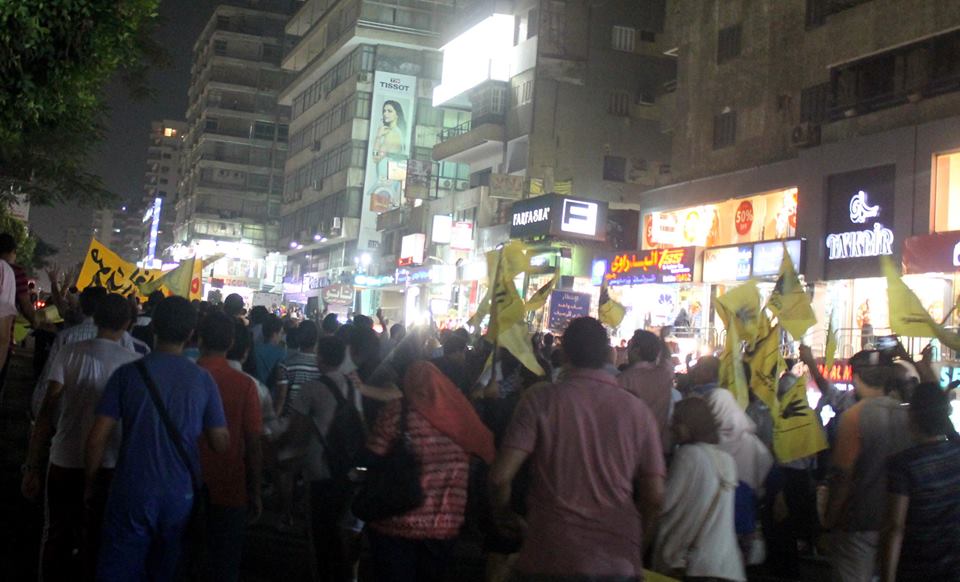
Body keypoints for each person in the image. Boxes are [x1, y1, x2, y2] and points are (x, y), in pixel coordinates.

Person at [490, 317, 665, 581]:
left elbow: (500, 477)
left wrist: (503, 514)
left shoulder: (540, 400)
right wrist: (636, 545)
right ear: (608, 354)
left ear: (564, 353)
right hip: (617, 558)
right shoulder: (638, 411)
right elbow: (655, 496)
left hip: (550, 553)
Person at [86, 296, 230, 581]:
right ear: (191, 334)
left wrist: (90, 484)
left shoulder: (127, 374)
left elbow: (97, 438)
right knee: (165, 569)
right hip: (179, 494)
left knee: (118, 569)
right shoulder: (203, 380)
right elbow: (219, 442)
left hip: (131, 490)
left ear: (153, 327)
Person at [21, 293, 141, 580]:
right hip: (109, 464)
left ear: (95, 317)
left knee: (56, 535)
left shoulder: (70, 352)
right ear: (128, 323)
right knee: (98, 539)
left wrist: (32, 464)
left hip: (64, 457)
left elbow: (46, 411)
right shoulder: (135, 364)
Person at [365, 331, 495, 582]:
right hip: (444, 522)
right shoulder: (463, 415)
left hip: (396, 518)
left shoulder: (398, 412)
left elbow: (373, 454)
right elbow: (485, 450)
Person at [823, 349, 912, 582]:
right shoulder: (907, 416)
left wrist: (830, 519)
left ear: (855, 377)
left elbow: (843, 478)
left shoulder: (853, 417)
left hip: (858, 522)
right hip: (896, 520)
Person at [288, 335, 365, 582]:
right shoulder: (354, 387)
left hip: (320, 469)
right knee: (342, 529)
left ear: (319, 357)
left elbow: (296, 433)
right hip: (348, 470)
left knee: (320, 534)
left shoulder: (311, 389)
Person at [196, 312, 263, 582]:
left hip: (184, 482)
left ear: (199, 339)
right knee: (224, 565)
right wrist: (255, 490)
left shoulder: (185, 376)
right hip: (229, 485)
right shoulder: (245, 384)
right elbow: (253, 443)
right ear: (232, 343)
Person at [654, 397, 745, 582]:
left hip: (692, 565)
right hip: (727, 566)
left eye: (677, 421)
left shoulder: (688, 455)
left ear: (692, 423)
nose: (671, 426)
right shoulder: (727, 460)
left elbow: (663, 504)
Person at [880, 382, 960, 582]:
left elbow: (895, 527)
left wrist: (887, 577)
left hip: (916, 565)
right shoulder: (956, 453)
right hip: (952, 564)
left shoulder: (903, 464)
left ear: (912, 416)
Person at [618, 329, 677, 452]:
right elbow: (667, 357)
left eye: (629, 347)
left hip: (632, 448)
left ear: (636, 351)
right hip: (659, 447)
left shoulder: (624, 379)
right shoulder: (664, 373)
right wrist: (662, 338)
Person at [275, 320, 321, 415]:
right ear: (316, 339)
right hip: (313, 418)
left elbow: (281, 397)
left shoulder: (285, 364)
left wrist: (274, 418)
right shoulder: (322, 366)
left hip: (290, 416)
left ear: (298, 338)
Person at [252, 313, 285, 387]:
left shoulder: (254, 348)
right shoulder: (281, 352)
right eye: (281, 333)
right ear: (274, 334)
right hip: (272, 390)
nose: (282, 336)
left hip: (255, 387)